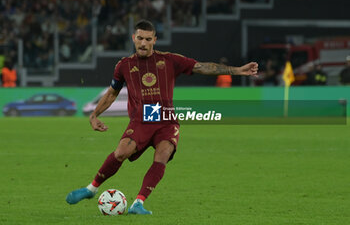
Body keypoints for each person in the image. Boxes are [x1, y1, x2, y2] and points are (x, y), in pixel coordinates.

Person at [65, 19, 258, 214]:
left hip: (166, 120)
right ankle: (91, 189)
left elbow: (201, 67)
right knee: (121, 152)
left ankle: (138, 203)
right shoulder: (124, 65)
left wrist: (237, 70)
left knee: (163, 154)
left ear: (154, 40)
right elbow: (112, 92)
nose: (143, 43)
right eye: (139, 38)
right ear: (133, 38)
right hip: (142, 120)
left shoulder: (169, 60)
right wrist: (95, 114)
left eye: (148, 39)